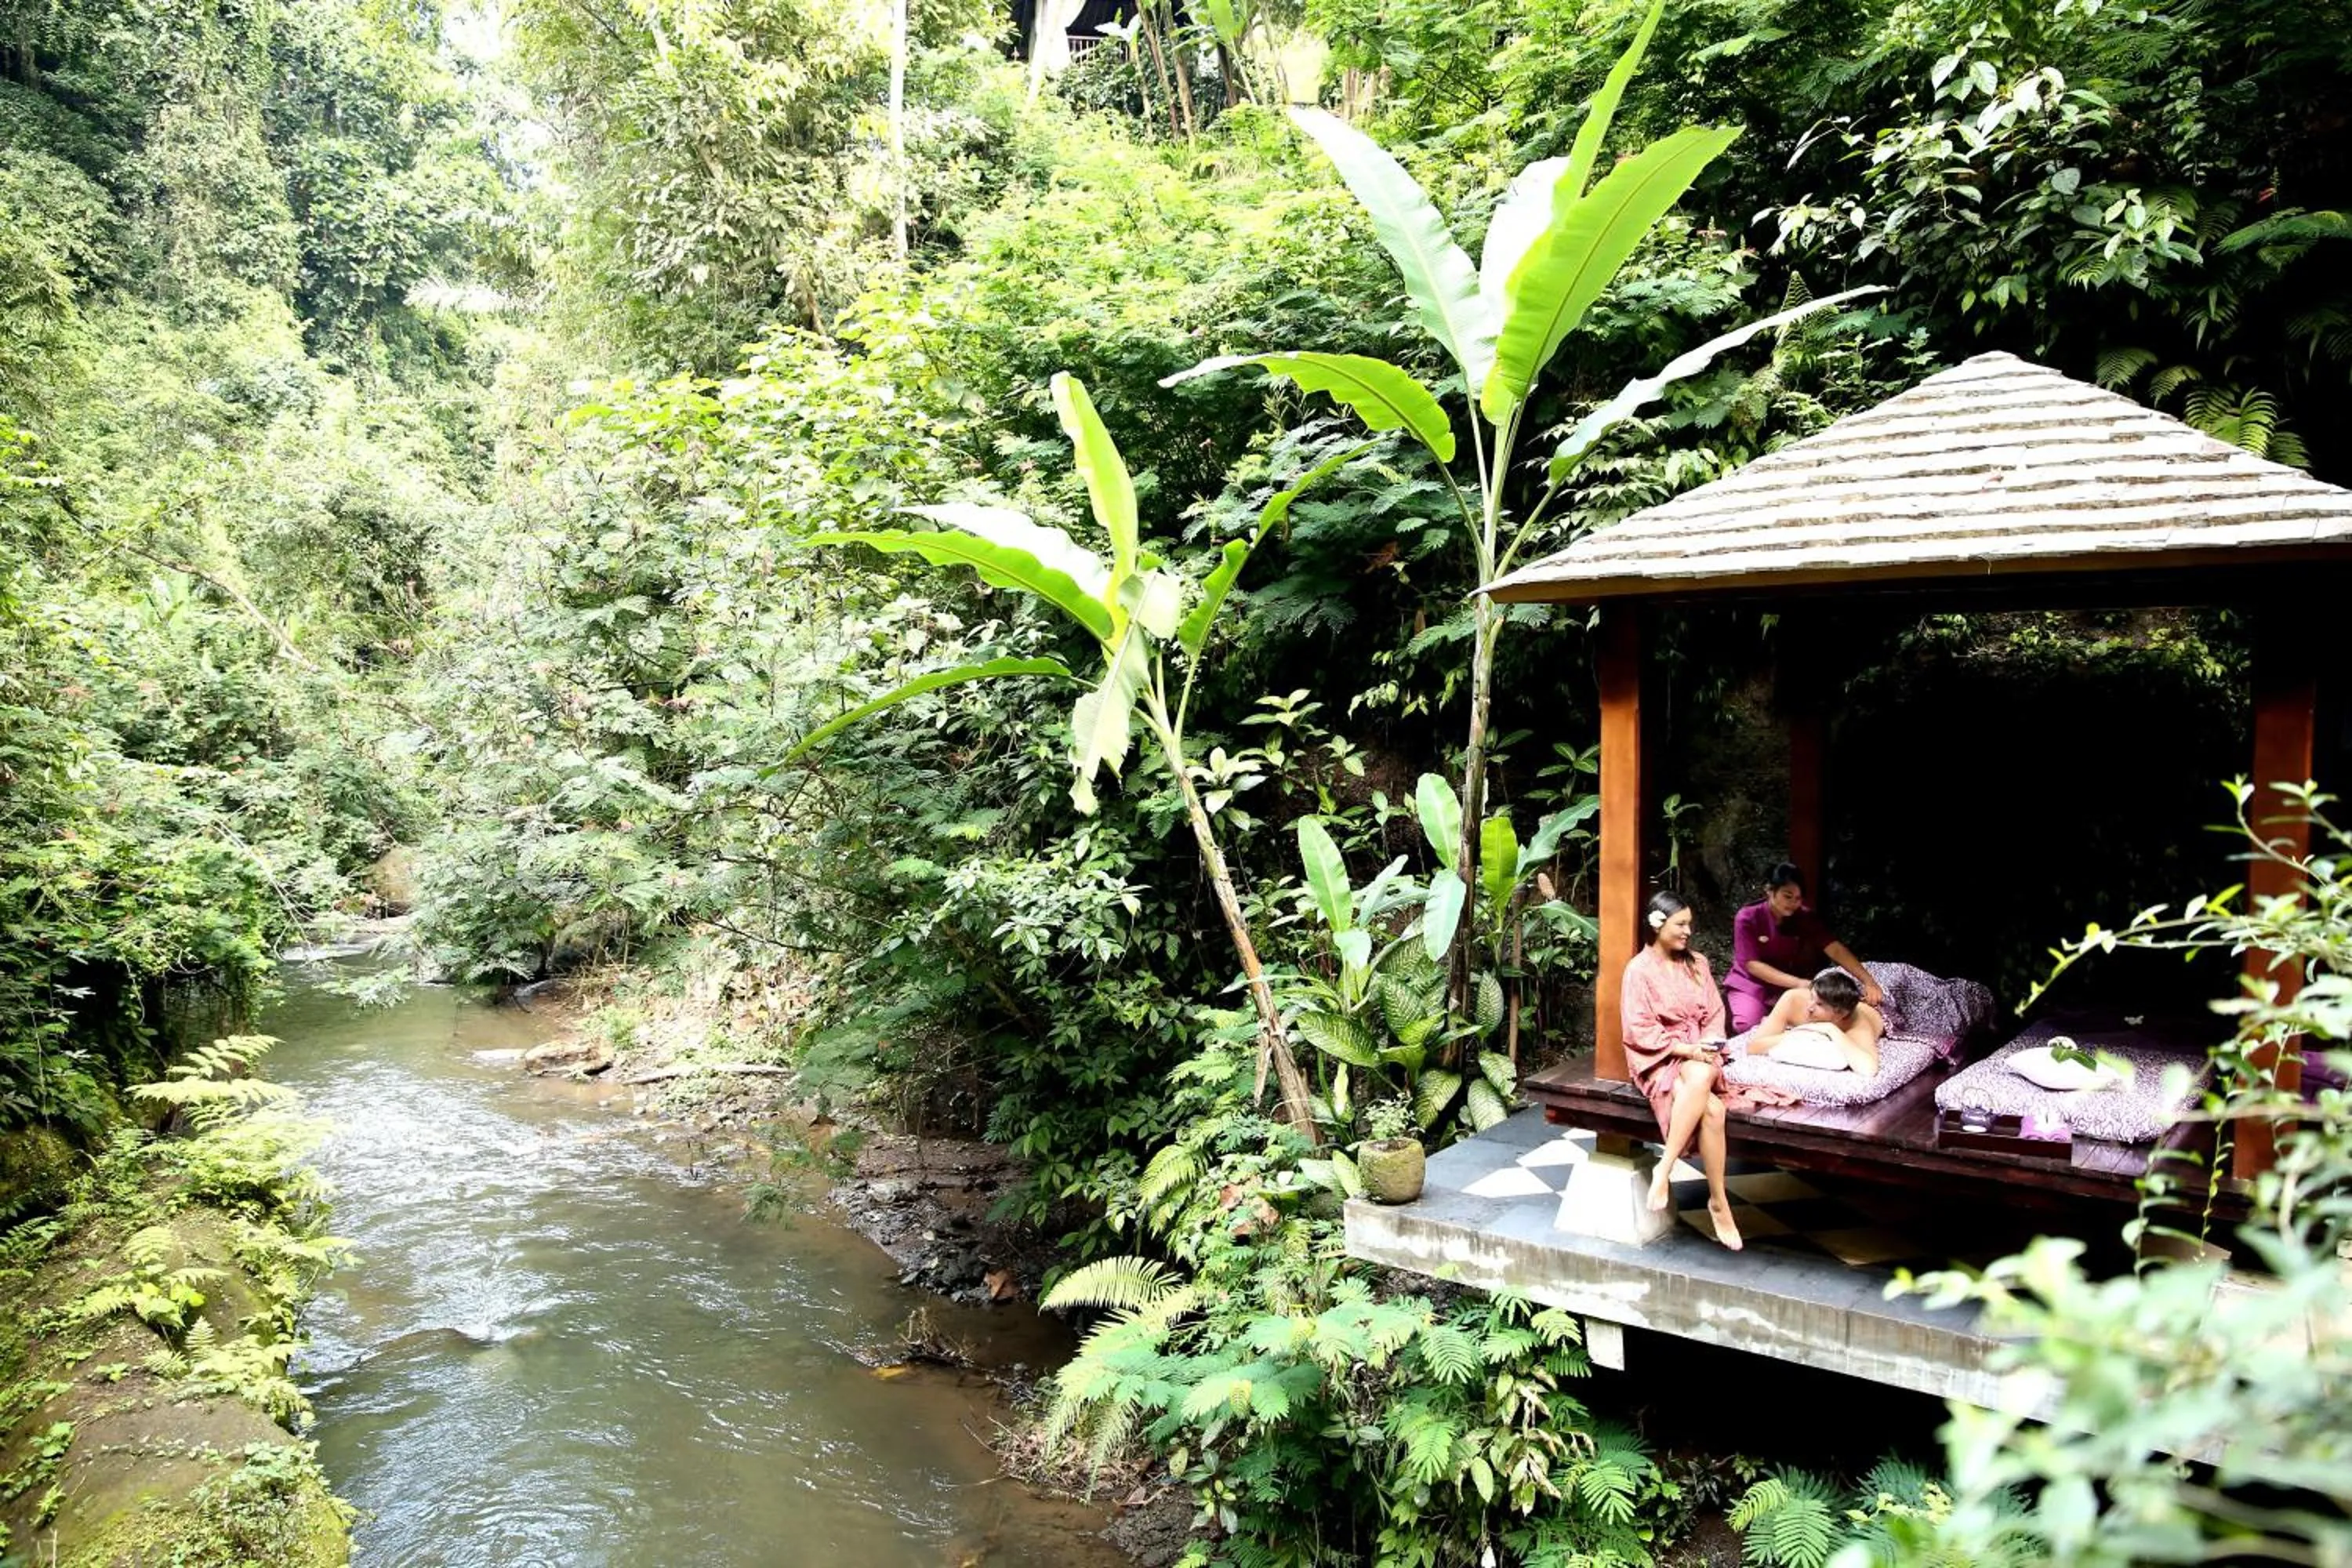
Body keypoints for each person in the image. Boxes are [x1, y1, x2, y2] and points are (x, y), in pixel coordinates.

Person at [1620, 890, 1742, 1251]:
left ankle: (1673, 1173)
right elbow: (1638, 1029)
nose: (1689, 931)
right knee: (1710, 1100)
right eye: (1681, 924)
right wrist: (1687, 1049)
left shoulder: (1698, 963)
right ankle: (1714, 1199)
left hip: (1700, 1051)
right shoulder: (1638, 970)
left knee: (1708, 1092)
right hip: (1660, 1056)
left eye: (1690, 923)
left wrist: (1708, 1043)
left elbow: (1716, 1015)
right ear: (1657, 926)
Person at [1723, 862, 1881, 1034]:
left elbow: (1834, 948)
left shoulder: (1804, 917)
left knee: (1811, 1020)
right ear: (1770, 891)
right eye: (1788, 896)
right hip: (1751, 983)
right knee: (1747, 1025)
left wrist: (1868, 981)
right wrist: (1799, 983)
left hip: (1784, 985)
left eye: (1798, 898)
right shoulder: (1747, 917)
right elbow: (1752, 965)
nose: (1793, 903)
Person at [1747, 966, 1887, 1076]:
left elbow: (1869, 1069)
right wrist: (1803, 1033)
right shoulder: (1794, 999)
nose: (1809, 1007)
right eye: (1811, 997)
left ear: (1840, 1013)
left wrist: (1830, 1030)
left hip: (1882, 1002)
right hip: (1838, 981)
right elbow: (1754, 1047)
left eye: (1819, 1005)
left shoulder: (1857, 1024)